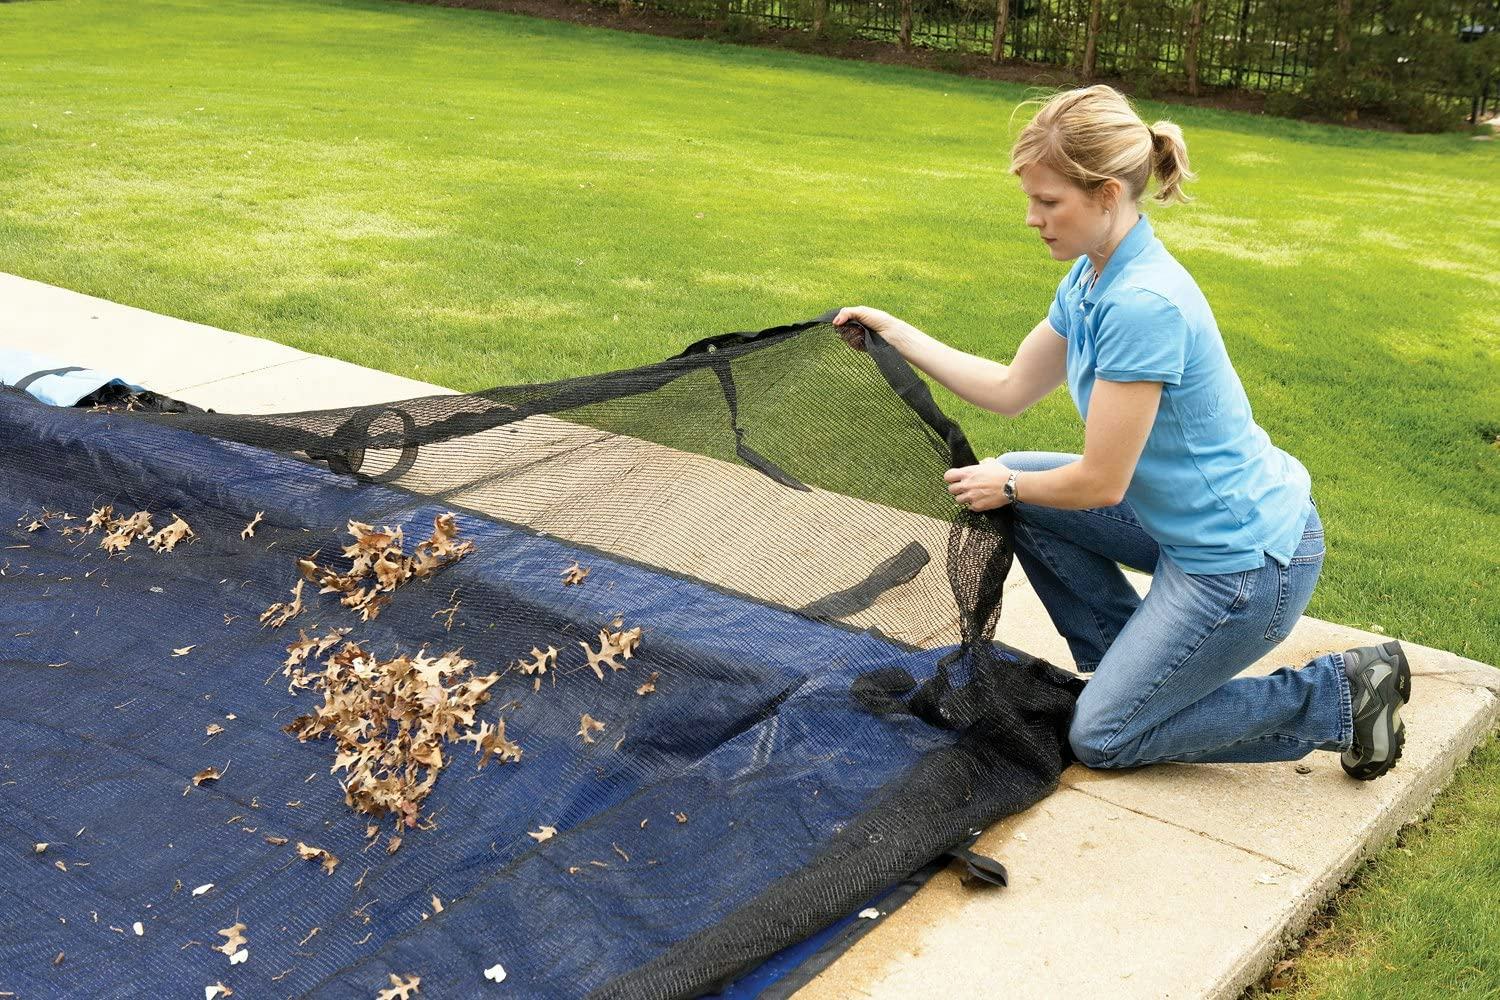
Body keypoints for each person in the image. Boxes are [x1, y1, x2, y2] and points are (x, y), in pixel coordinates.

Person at [833, 85, 1409, 780]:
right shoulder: (1091, 277)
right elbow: (1011, 389)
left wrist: (1008, 481)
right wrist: (895, 331)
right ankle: (1130, 672)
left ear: (1106, 194)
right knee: (1012, 487)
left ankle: (1339, 698)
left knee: (1103, 738)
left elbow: (1099, 482)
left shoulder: (1142, 305)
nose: (1032, 218)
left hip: (1243, 567)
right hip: (1188, 530)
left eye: (1049, 203)